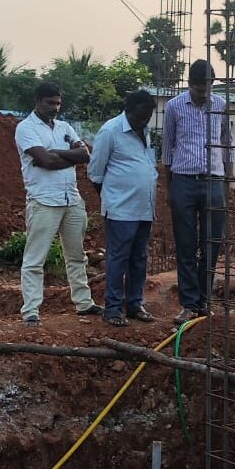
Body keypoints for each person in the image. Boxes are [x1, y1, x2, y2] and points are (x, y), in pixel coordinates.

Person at [14, 82, 101, 326]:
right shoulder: (25, 128)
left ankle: (84, 304)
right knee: (35, 258)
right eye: (50, 103)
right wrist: (65, 156)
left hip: (70, 198)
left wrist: (56, 154)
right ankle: (31, 310)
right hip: (43, 200)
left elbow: (84, 155)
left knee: (76, 255)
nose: (55, 108)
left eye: (58, 103)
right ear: (38, 101)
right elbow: (44, 160)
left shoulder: (64, 127)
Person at [162, 59, 231, 325]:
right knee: (186, 245)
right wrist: (170, 189)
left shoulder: (221, 105)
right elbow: (168, 148)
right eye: (199, 89)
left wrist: (227, 183)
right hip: (184, 180)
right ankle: (189, 304)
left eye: (208, 88)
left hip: (213, 180)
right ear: (189, 84)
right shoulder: (174, 107)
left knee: (212, 243)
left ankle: (204, 300)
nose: (204, 93)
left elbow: (227, 143)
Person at [87, 89, 158, 327]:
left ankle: (134, 304)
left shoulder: (145, 132)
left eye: (147, 116)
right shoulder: (110, 131)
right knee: (118, 259)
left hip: (144, 209)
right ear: (128, 110)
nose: (143, 120)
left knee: (139, 257)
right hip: (120, 210)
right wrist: (112, 199)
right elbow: (95, 173)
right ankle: (113, 308)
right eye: (140, 116)